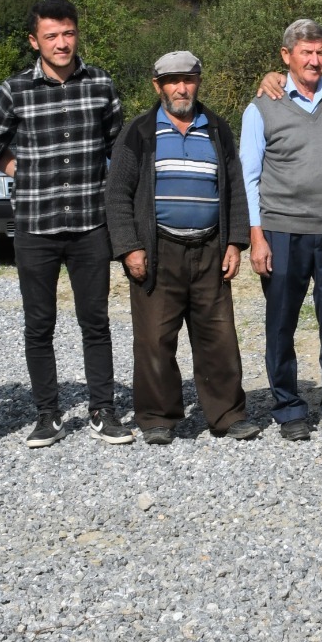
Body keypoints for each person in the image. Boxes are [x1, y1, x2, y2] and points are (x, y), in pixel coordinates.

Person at [0, 0, 130, 448]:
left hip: (89, 224)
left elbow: (118, 149)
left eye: (68, 33)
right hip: (35, 226)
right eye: (51, 36)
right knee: (38, 324)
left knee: (95, 321)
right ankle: (47, 414)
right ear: (34, 41)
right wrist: (16, 170)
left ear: (76, 33)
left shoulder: (100, 83)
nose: (61, 43)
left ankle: (103, 409)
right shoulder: (15, 90)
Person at [106, 51, 261, 445]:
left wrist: (235, 242)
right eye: (173, 81)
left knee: (219, 337)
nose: (181, 87)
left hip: (210, 248)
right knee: (155, 339)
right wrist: (129, 247)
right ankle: (158, 417)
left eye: (189, 79)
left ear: (198, 82)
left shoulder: (217, 129)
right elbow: (118, 194)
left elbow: (234, 190)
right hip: (159, 250)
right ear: (157, 86)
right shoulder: (139, 131)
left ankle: (227, 414)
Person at [241, 19, 322, 441]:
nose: (314, 60)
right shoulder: (261, 107)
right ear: (286, 56)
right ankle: (289, 407)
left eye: (321, 52)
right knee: (281, 323)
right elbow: (249, 177)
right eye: (306, 53)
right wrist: (256, 237)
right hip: (282, 230)